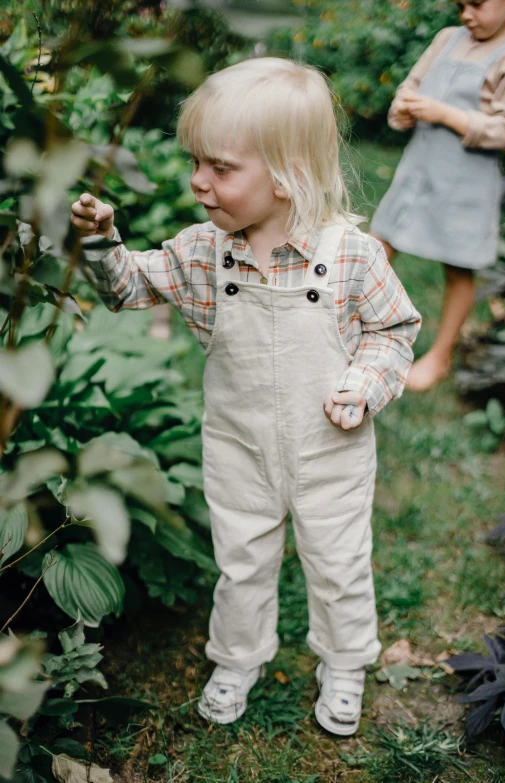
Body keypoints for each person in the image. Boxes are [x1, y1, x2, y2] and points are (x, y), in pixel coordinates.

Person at [71, 57, 421, 736]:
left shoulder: (350, 256)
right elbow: (125, 288)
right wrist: (98, 241)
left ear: (287, 173)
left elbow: (394, 331)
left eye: (221, 167)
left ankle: (344, 663)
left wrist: (362, 386)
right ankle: (237, 657)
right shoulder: (203, 252)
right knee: (242, 559)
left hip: (332, 447)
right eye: (197, 162)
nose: (200, 181)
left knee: (339, 561)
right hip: (239, 442)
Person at [371, 0, 505, 392]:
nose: (466, 15)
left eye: (475, 4)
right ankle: (353, 324)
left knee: (458, 267)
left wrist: (445, 115)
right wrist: (402, 109)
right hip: (418, 169)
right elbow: (412, 86)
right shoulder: (445, 39)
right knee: (378, 245)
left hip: (466, 180)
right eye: (460, 5)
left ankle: (439, 354)